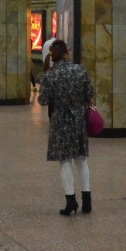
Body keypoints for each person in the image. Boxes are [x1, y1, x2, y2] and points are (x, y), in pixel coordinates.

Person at [38, 40, 95, 215]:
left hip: (60, 121)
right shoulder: (79, 70)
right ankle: (87, 200)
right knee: (81, 159)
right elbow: (90, 93)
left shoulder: (49, 75)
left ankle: (71, 201)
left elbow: (43, 100)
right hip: (78, 120)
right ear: (65, 54)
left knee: (64, 161)